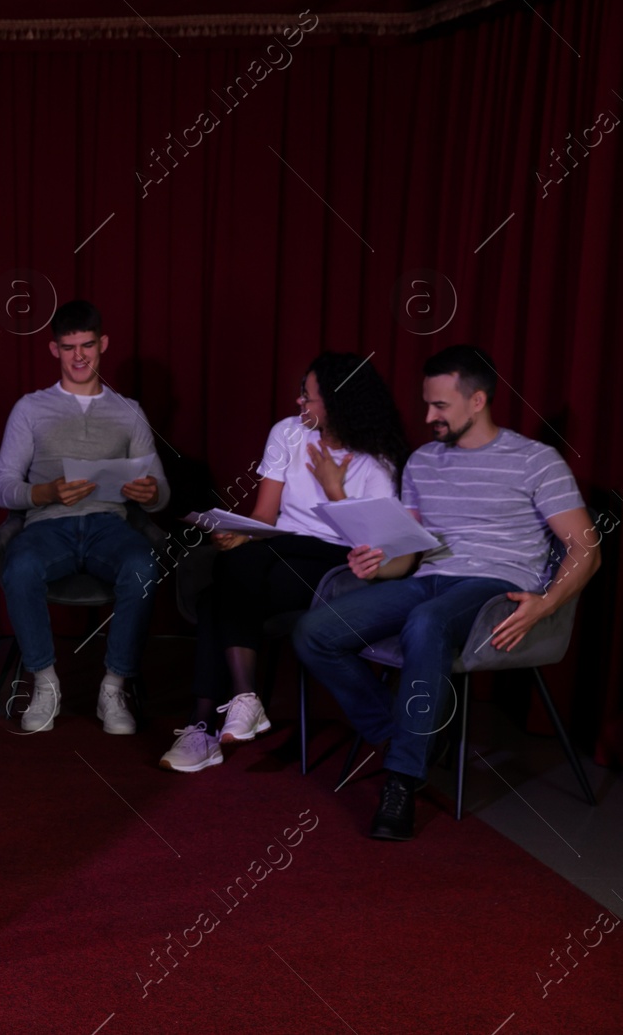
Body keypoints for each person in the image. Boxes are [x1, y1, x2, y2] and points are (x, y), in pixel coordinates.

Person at [293, 345, 600, 840]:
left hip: (495, 585)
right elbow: (409, 555)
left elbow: (586, 548)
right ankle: (405, 738)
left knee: (427, 621)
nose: (428, 416)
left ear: (477, 401)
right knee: (315, 630)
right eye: (427, 404)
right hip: (428, 579)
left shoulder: (535, 461)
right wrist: (376, 563)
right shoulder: (423, 462)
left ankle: (401, 780)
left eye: (441, 406)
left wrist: (547, 602)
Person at [159, 352, 410, 772]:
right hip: (277, 547)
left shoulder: (377, 459)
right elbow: (265, 515)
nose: (299, 404)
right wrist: (241, 531)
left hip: (335, 560)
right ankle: (241, 701)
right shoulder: (286, 433)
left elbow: (374, 546)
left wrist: (335, 489)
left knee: (217, 594)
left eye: (308, 397)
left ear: (336, 403)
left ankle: (204, 725)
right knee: (233, 567)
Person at [0, 300, 168, 735]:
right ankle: (45, 681)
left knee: (143, 566)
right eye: (68, 347)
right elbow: (3, 487)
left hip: (109, 525)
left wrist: (151, 493)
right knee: (20, 566)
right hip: (47, 525)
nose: (79, 357)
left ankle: (113, 685)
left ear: (102, 344)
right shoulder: (30, 409)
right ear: (54, 350)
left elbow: (161, 493)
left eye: (87, 345)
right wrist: (45, 492)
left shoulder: (128, 411)